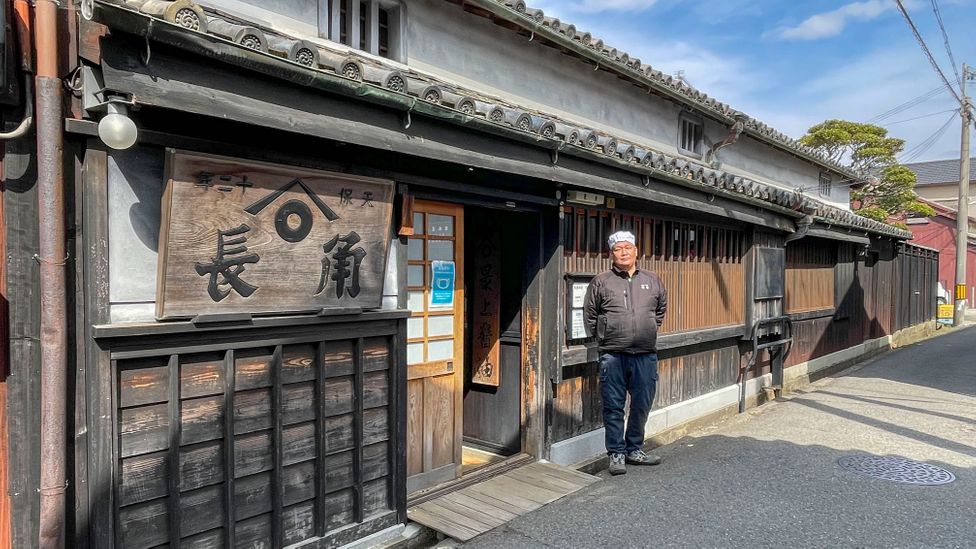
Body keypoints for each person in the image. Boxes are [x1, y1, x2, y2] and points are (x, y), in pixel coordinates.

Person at [583, 230, 667, 475]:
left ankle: (634, 449)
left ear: (636, 251)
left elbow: (659, 311)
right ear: (612, 253)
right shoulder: (602, 281)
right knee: (613, 406)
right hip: (613, 354)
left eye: (627, 247)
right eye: (618, 249)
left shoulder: (652, 280)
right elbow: (590, 314)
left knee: (642, 404)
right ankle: (616, 453)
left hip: (645, 353)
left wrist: (647, 328)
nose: (623, 252)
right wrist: (605, 335)